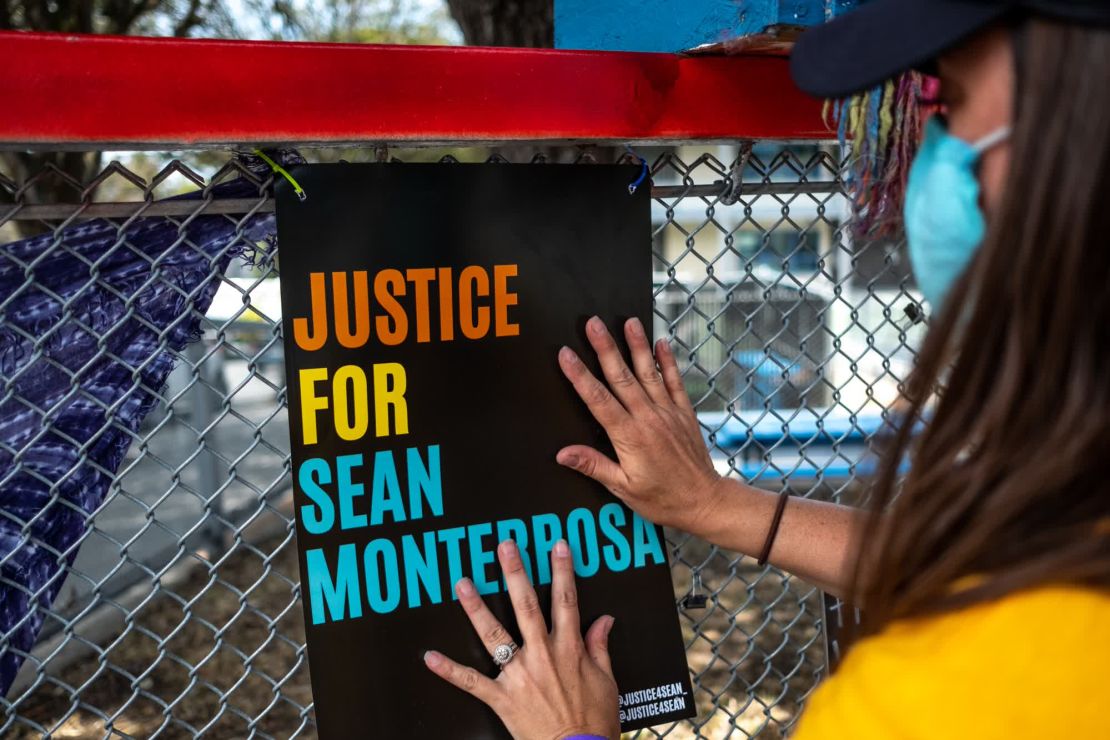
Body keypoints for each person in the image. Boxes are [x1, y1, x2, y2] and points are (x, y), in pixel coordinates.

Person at [423, 0, 1110, 736]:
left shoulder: (935, 695)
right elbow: (988, 562)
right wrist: (713, 504)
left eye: (947, 98)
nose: (925, 152)